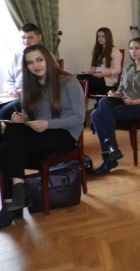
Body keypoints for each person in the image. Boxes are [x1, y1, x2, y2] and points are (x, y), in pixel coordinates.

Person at [0, 44, 85, 229]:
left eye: (39, 60)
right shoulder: (30, 85)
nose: (35, 65)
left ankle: (11, 203)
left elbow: (80, 117)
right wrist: (23, 119)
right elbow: (31, 117)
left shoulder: (68, 82)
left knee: (6, 150)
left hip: (65, 133)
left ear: (48, 59)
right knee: (11, 132)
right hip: (40, 130)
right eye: (30, 63)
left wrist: (47, 124)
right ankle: (18, 191)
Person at [90, 37, 140, 175]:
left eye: (137, 48)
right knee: (103, 102)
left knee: (96, 114)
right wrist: (114, 93)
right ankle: (112, 148)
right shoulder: (128, 68)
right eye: (131, 48)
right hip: (123, 101)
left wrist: (134, 102)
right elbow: (121, 89)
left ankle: (109, 156)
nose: (133, 51)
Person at [0, 23, 43, 120]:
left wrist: (24, 92)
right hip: (14, 96)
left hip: (33, 97)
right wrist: (11, 90)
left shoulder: (46, 56)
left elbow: (48, 84)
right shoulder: (17, 55)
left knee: (3, 113)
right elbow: (8, 80)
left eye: (30, 38)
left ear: (39, 37)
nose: (26, 42)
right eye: (23, 38)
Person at [77, 27, 123, 96]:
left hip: (107, 79)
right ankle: (84, 97)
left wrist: (102, 74)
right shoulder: (97, 50)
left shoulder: (115, 51)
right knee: (79, 77)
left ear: (108, 37)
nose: (100, 39)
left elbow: (117, 70)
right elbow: (93, 67)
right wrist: (90, 72)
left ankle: (85, 96)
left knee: (85, 83)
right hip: (96, 76)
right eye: (98, 37)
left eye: (103, 37)